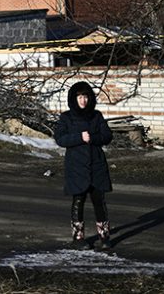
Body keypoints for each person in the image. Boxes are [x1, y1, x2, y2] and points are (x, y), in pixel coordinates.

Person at [54, 80, 113, 250]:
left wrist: (93, 138)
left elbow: (107, 135)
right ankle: (78, 238)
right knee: (78, 200)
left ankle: (104, 236)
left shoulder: (96, 116)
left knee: (99, 201)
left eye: (85, 96)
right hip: (76, 166)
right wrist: (79, 137)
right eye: (79, 97)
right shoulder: (66, 117)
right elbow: (60, 139)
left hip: (96, 165)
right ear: (74, 99)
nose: (83, 100)